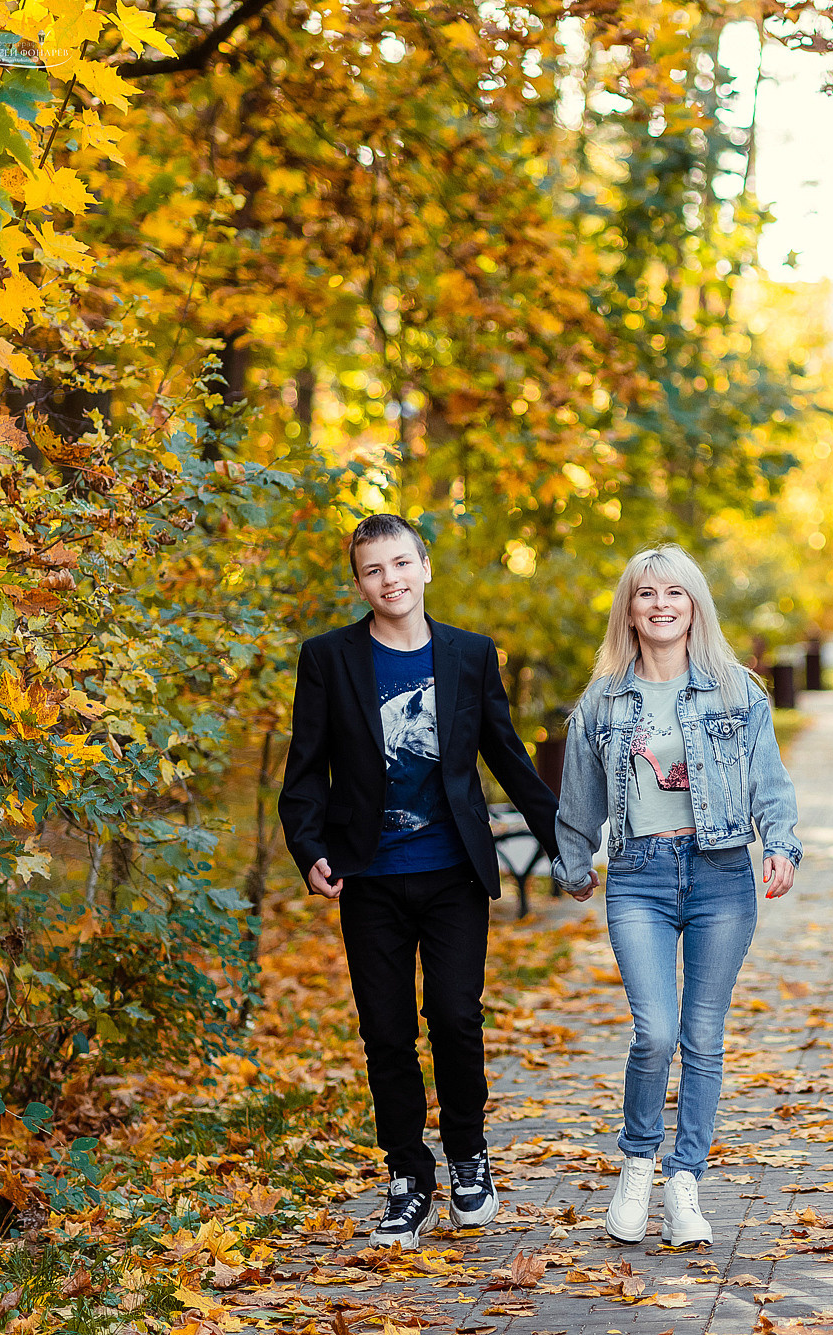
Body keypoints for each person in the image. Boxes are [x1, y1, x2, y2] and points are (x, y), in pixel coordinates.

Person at [280, 513, 561, 1249]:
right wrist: (307, 846)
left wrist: (561, 836)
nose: (390, 580)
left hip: (452, 873)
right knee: (386, 1033)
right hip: (368, 876)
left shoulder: (469, 655)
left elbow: (505, 754)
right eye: (373, 570)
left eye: (401, 564)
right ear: (360, 582)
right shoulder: (330, 658)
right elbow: (306, 766)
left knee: (456, 1017)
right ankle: (409, 1177)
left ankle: (469, 1155)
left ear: (424, 568)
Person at [551, 544, 801, 1247]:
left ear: (695, 606)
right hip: (639, 877)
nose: (660, 605)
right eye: (645, 594)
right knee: (655, 1031)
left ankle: (684, 1183)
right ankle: (638, 1162)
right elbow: (578, 799)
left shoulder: (736, 688)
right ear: (628, 610)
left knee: (703, 1036)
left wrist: (780, 844)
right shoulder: (601, 700)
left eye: (675, 593)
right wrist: (573, 866)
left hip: (721, 872)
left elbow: (769, 781)